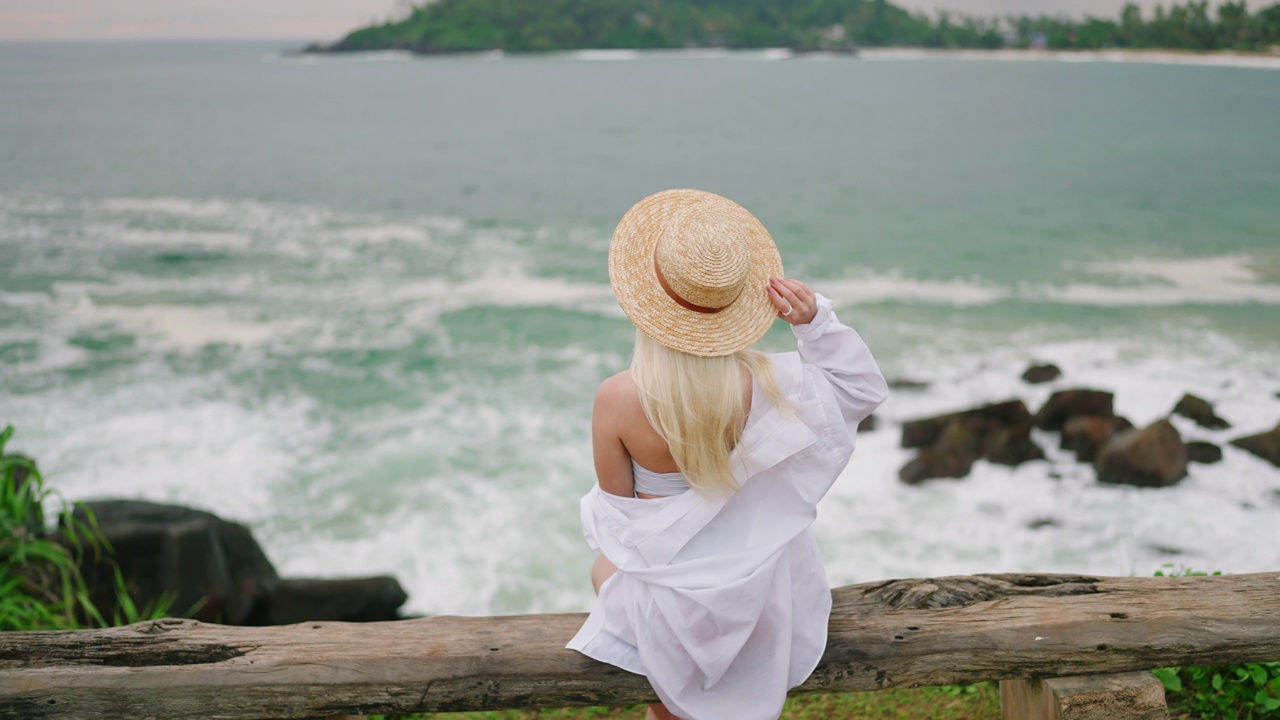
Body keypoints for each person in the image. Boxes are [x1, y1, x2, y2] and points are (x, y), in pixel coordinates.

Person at [566, 189, 888, 720]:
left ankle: (664, 709)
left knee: (606, 571)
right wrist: (814, 323)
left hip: (674, 597)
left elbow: (619, 522)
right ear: (737, 302)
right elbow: (860, 389)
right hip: (765, 587)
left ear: (646, 301)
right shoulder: (774, 383)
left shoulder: (617, 397)